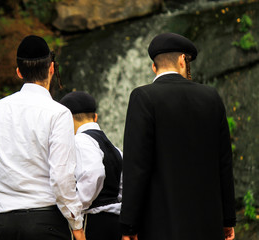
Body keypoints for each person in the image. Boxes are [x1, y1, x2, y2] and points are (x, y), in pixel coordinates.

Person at [119, 32, 236, 240]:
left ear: (154, 67)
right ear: (183, 60)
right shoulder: (211, 97)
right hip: (208, 226)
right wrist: (228, 220)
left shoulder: (143, 97)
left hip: (161, 227)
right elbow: (224, 164)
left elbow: (136, 167)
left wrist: (129, 225)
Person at [0, 35, 85, 240]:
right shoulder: (58, 113)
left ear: (19, 72)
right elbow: (61, 178)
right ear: (51, 68)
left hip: (4, 223)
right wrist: (77, 225)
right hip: (46, 223)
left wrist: (13, 169)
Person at [60, 91, 123, 240]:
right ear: (95, 117)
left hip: (94, 221)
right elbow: (123, 186)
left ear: (67, 119)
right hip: (115, 220)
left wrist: (76, 207)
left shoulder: (79, 141)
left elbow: (95, 173)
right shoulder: (114, 148)